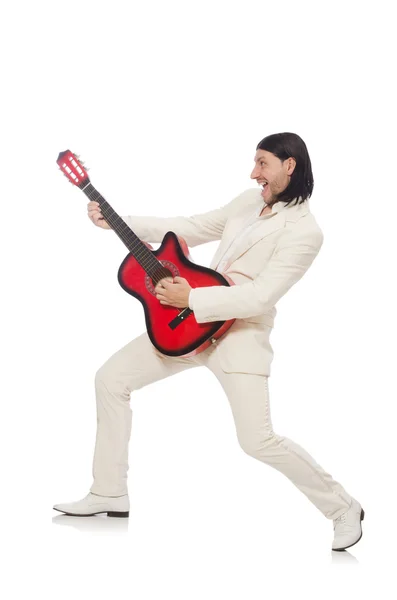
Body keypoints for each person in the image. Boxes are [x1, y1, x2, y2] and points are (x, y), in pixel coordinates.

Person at [53, 132, 364, 551]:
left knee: (257, 440)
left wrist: (191, 297)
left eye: (262, 163)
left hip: (238, 334)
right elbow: (192, 228)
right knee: (110, 379)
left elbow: (261, 295)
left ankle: (342, 507)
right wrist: (119, 220)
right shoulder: (248, 201)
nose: (254, 173)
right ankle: (109, 491)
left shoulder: (306, 232)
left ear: (289, 165)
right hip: (185, 326)